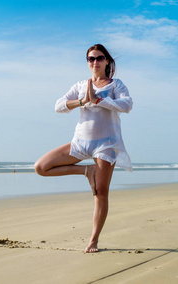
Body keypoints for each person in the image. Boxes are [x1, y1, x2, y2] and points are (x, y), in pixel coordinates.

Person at [34, 44, 133, 253]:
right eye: (90, 59)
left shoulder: (116, 85)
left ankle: (93, 240)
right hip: (80, 142)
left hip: (106, 144)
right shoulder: (80, 85)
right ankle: (87, 170)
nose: (94, 62)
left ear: (107, 61)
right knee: (41, 167)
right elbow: (58, 106)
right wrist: (82, 101)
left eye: (99, 58)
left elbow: (126, 105)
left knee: (100, 193)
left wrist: (99, 100)